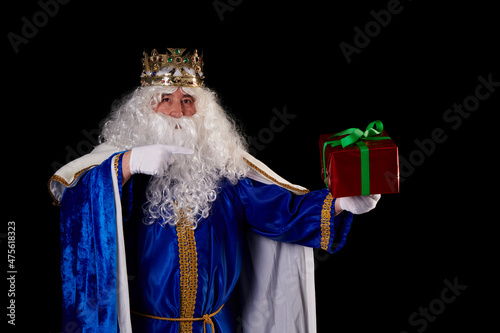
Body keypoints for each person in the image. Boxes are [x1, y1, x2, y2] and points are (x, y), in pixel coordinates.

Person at [49, 48, 380, 333]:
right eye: (165, 100)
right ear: (145, 110)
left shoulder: (227, 176)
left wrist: (340, 203)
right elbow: (80, 214)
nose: (177, 112)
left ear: (203, 112)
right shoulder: (124, 174)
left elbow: (281, 212)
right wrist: (126, 165)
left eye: (188, 100)